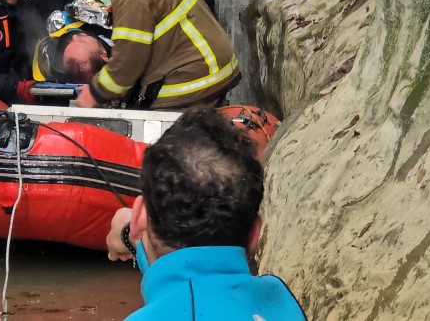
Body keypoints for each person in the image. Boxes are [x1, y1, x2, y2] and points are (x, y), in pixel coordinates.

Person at [104, 109, 307, 321]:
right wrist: (132, 236)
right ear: (256, 232)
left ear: (138, 218)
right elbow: (198, 272)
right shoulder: (278, 299)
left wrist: (135, 231)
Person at [69, 0, 239, 109]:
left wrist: (94, 92)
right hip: (209, 62)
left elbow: (129, 60)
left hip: (197, 74)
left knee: (157, 129)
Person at [30, 0, 113, 85]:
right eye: (82, 41)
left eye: (69, 44)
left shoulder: (50, 55)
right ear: (103, 54)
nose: (74, 37)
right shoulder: (121, 46)